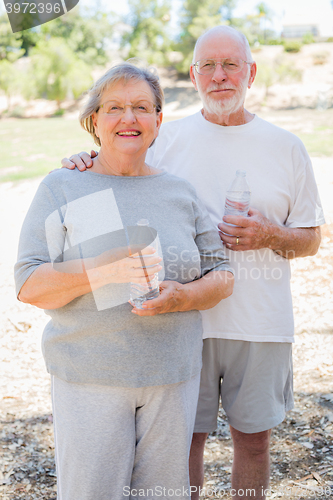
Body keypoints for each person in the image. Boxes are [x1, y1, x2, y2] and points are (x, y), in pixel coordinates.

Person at [61, 27, 325, 500]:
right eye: (208, 65)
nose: (220, 76)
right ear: (194, 74)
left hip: (260, 323)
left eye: (231, 65)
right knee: (181, 447)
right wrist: (85, 160)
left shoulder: (286, 146)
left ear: (251, 72)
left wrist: (270, 234)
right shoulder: (167, 136)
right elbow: (118, 166)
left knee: (255, 444)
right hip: (180, 321)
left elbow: (309, 241)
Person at [14, 63, 235, 500]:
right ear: (95, 120)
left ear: (157, 121)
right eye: (114, 107)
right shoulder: (65, 186)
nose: (128, 118)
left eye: (141, 107)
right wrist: (103, 270)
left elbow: (223, 274)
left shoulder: (179, 192)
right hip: (89, 378)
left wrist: (183, 297)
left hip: (172, 377)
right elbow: (28, 285)